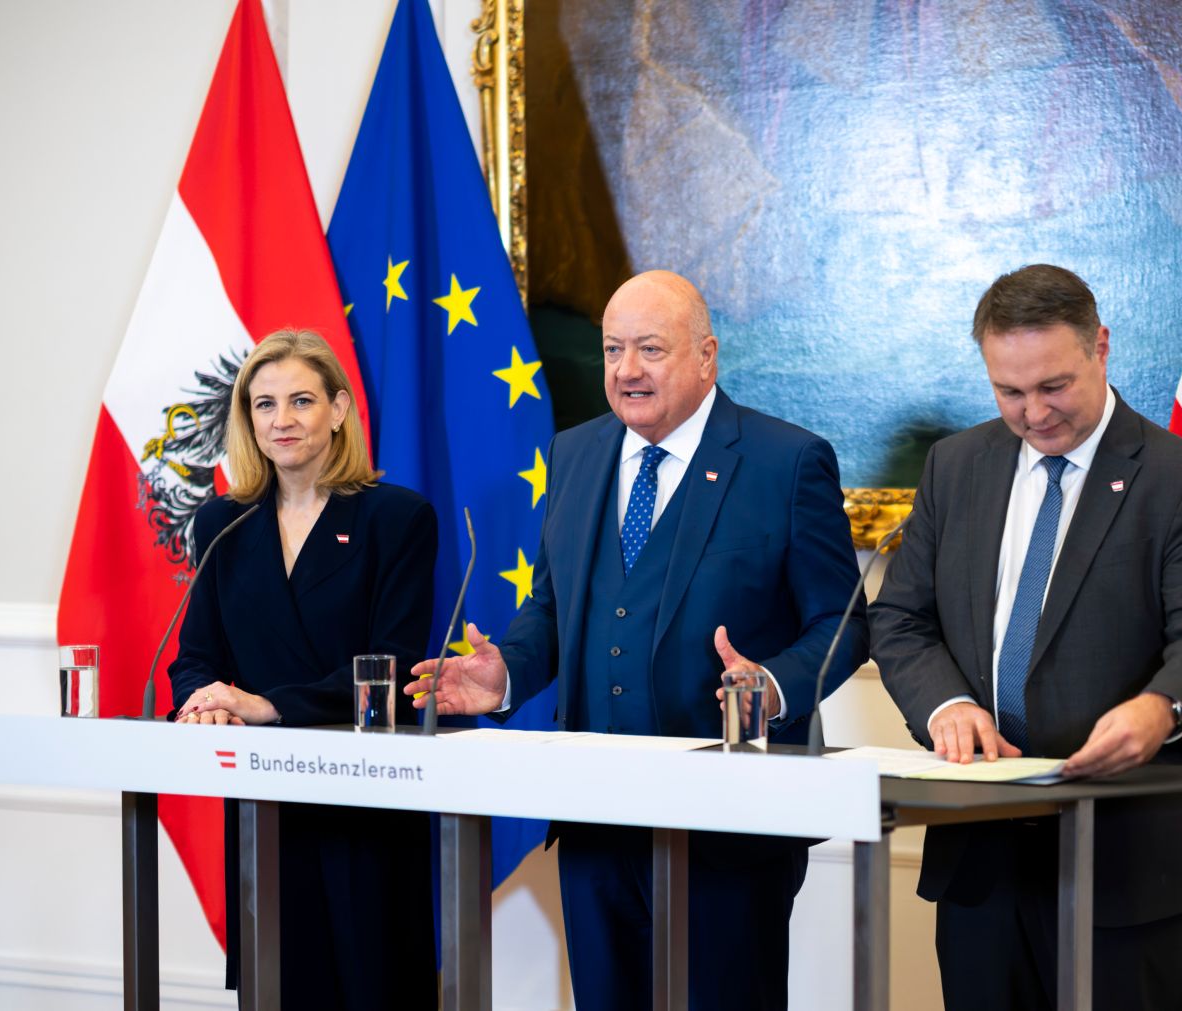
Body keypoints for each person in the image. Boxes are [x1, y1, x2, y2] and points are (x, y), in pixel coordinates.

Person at [401, 270, 868, 1010]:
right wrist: (509, 674)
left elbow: (846, 624)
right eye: (613, 349)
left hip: (730, 828)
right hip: (596, 825)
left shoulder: (788, 461)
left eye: (650, 349)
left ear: (707, 355)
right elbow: (556, 610)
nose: (626, 370)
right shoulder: (575, 454)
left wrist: (772, 686)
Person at [868, 265, 1182, 1010]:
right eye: (1009, 391)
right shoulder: (956, 465)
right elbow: (901, 618)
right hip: (982, 852)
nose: (1033, 413)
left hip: (1127, 853)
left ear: (1100, 347)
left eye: (1054, 386)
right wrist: (945, 705)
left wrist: (1160, 709)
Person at [171, 329, 437, 1010]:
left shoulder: (396, 518)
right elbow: (195, 656)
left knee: (374, 984)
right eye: (263, 404)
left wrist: (267, 704)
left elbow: (397, 668)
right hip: (265, 809)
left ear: (339, 409)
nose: (281, 420)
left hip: (366, 803)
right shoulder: (221, 522)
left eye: (300, 400)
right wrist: (205, 702)